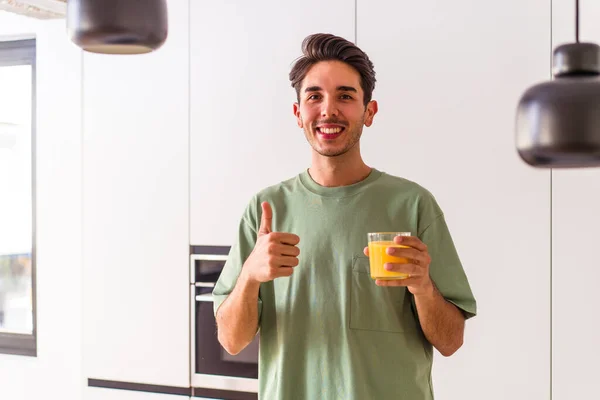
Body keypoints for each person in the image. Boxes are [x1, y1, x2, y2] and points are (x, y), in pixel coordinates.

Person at [212, 33, 477, 400]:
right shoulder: (265, 210)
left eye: (346, 96)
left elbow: (451, 341)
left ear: (369, 112)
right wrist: (250, 276)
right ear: (297, 113)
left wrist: (422, 287)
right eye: (314, 96)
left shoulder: (414, 206)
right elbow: (231, 339)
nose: (328, 110)